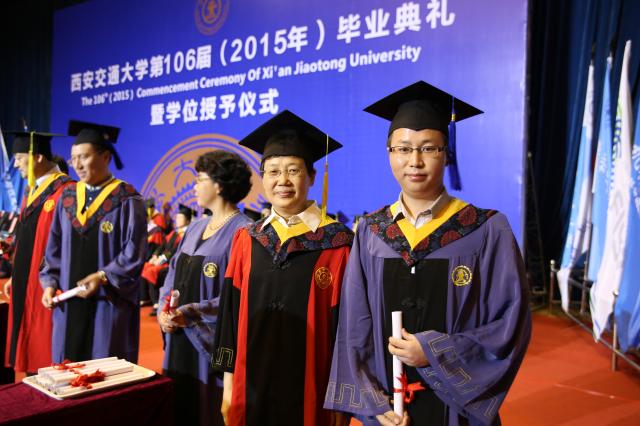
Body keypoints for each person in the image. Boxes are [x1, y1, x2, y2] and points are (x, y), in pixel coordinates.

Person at [324, 81, 531, 425]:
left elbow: (510, 323)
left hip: (458, 412)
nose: (415, 161)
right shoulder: (372, 232)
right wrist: (374, 403)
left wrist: (435, 353)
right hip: (391, 409)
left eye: (428, 148)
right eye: (403, 149)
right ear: (389, 154)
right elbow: (354, 327)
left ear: (447, 153)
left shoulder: (486, 229)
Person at [212, 110, 354, 425]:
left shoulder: (339, 243)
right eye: (273, 171)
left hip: (313, 391)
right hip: (250, 388)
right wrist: (228, 386)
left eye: (293, 170)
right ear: (263, 178)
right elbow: (230, 315)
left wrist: (342, 401)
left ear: (312, 177)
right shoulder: (247, 238)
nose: (283, 181)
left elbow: (348, 331)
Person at [157, 151, 253, 426]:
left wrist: (191, 313)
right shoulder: (195, 227)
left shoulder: (244, 232)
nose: (195, 186)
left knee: (206, 411)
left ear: (219, 184)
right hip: (177, 337)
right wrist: (164, 309)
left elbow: (241, 296)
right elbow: (172, 273)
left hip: (209, 345)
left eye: (200, 179)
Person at [40, 120, 147, 363]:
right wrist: (49, 283)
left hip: (106, 304)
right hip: (69, 301)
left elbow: (135, 252)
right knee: (68, 368)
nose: (77, 165)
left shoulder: (127, 199)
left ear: (106, 156)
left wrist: (102, 276)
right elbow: (53, 247)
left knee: (103, 367)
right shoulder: (67, 197)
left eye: (84, 157)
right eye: (73, 158)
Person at [4, 131, 73, 374]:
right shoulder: (32, 191)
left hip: (48, 284)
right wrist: (16, 274)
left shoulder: (66, 191)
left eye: (19, 157)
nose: (16, 164)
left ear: (38, 157)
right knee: (26, 346)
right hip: (26, 279)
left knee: (45, 353)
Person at [142, 203, 196, 315]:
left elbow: (175, 252)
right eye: (177, 217)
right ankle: (147, 298)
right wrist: (155, 255)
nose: (177, 220)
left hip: (173, 263)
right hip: (164, 260)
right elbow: (163, 245)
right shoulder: (174, 232)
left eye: (180, 217)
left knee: (152, 271)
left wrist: (161, 259)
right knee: (145, 266)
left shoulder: (187, 234)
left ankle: (156, 302)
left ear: (187, 220)